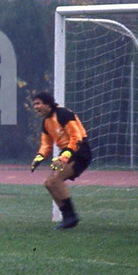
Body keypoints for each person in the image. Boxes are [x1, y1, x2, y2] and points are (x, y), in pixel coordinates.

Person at [30, 92, 89, 230]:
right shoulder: (46, 122)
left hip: (79, 151)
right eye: (34, 104)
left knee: (56, 179)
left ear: (48, 104)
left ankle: (71, 216)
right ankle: (68, 217)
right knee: (49, 183)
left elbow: (77, 136)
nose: (35, 107)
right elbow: (46, 145)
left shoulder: (63, 114)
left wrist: (67, 154)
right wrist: (39, 157)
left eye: (38, 103)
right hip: (67, 153)